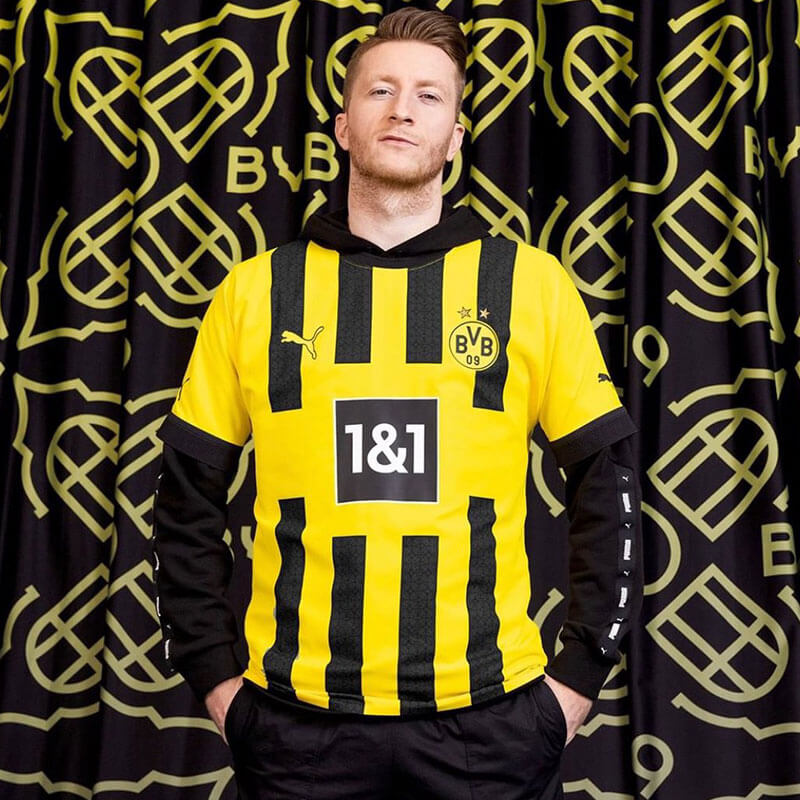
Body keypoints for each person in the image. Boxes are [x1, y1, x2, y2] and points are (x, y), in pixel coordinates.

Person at [151, 7, 641, 799]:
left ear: (456, 137)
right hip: (295, 731)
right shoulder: (254, 292)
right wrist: (216, 682)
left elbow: (606, 482)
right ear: (344, 127)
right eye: (380, 90)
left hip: (490, 729)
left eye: (429, 95)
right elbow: (184, 495)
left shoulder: (531, 285)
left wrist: (576, 683)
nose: (402, 110)